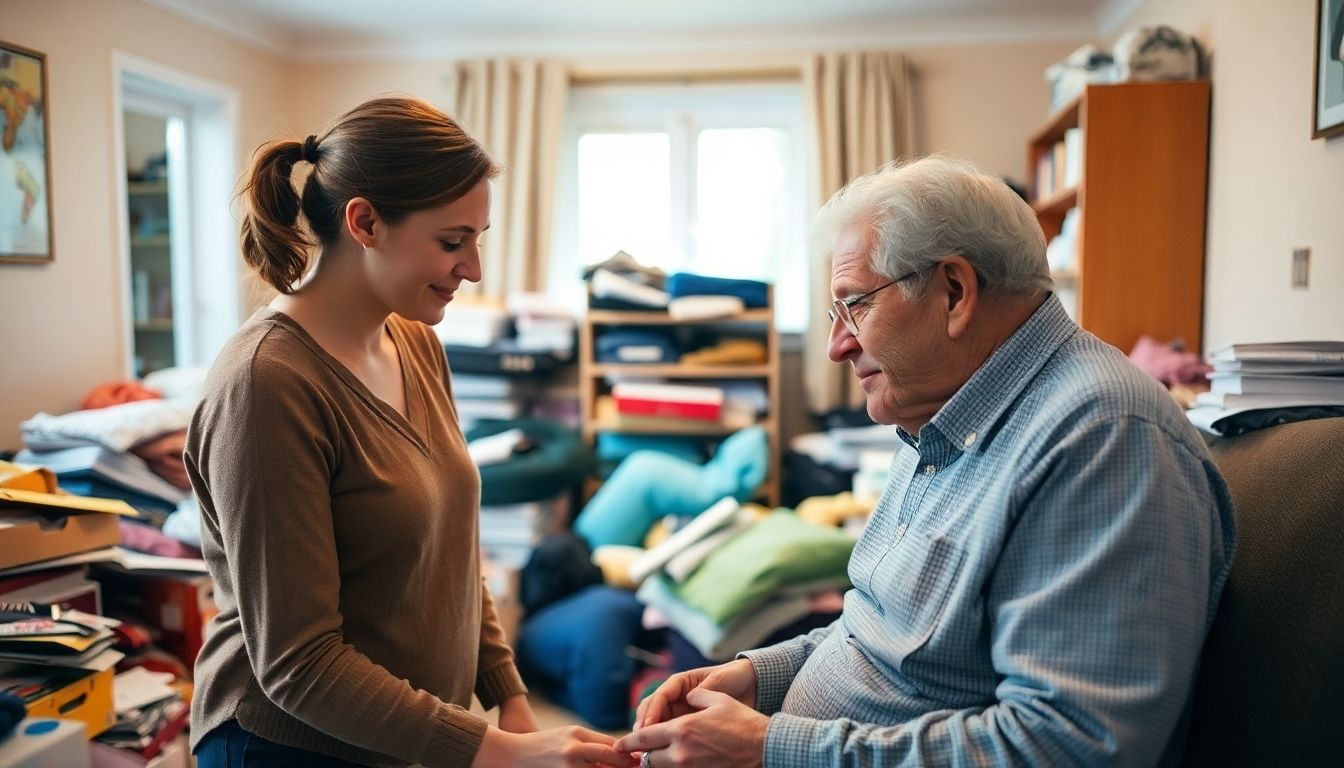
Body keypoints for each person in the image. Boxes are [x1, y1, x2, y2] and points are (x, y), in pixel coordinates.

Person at [616, 156, 1237, 767]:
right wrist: (758, 678)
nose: (837, 346)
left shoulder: (1103, 441)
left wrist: (766, 746)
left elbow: (1069, 747)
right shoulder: (945, 421)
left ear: (955, 291)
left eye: (855, 304)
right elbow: (887, 636)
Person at [186, 96, 635, 768]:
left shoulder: (412, 341)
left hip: (398, 738)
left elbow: (447, 553)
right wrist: (495, 751)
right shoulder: (266, 385)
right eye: (453, 242)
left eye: (477, 239)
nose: (474, 268)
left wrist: (506, 693)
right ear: (364, 222)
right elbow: (297, 663)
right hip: (287, 746)